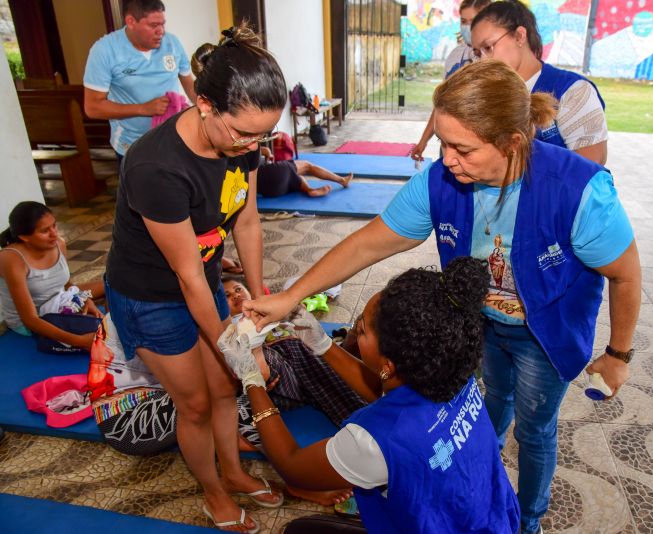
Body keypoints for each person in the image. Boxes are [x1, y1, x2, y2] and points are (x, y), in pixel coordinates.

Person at [242, 60, 641, 534]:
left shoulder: (579, 191)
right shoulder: (442, 180)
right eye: (443, 143)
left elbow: (626, 275)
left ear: (513, 142)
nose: (447, 159)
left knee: (535, 430)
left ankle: (527, 520)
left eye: (462, 149)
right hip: (482, 323)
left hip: (546, 335)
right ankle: (467, 482)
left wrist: (618, 353)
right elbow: (371, 240)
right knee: (485, 409)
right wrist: (293, 296)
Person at [103, 23, 286, 532]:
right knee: (198, 403)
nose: (253, 145)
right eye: (244, 133)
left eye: (262, 135)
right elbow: (185, 277)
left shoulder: (242, 141)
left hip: (200, 280)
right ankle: (212, 493)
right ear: (204, 104)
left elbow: (246, 220)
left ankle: (232, 471)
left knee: (226, 389)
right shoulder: (156, 167)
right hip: (150, 297)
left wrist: (258, 301)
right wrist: (241, 348)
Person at [220, 257, 520, 533]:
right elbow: (386, 393)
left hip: (439, 524)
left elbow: (291, 464)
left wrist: (251, 380)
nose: (354, 333)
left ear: (388, 365)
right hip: (492, 518)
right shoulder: (451, 371)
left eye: (360, 331)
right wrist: (321, 342)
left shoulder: (374, 441)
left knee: (299, 531)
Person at [88, 306, 361, 506]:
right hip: (129, 417)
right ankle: (296, 478)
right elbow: (205, 379)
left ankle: (357, 414)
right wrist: (250, 366)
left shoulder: (188, 301)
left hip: (171, 395)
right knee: (228, 397)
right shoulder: (145, 310)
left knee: (289, 347)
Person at [471, 0, 608, 165]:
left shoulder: (573, 91)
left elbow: (588, 171)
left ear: (520, 36)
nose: (483, 60)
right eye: (477, 53)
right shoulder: (484, 96)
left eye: (488, 47)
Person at [83, 0, 197, 159]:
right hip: (132, 146)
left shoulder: (172, 43)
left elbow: (189, 85)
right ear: (130, 21)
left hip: (173, 138)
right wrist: (143, 108)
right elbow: (93, 107)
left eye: (162, 24)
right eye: (153, 25)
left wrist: (205, 109)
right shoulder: (104, 50)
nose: (161, 31)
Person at [0, 201, 104, 350]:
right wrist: (79, 341)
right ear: (24, 237)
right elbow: (29, 319)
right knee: (104, 336)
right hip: (33, 321)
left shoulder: (59, 244)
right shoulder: (12, 259)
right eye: (44, 231)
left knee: (114, 286)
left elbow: (66, 284)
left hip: (59, 300)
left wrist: (83, 299)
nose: (54, 234)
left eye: (54, 225)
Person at [411, 0, 491, 162]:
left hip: (478, 150)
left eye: (473, 21)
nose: (468, 27)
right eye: (463, 21)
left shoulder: (494, 58)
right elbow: (442, 106)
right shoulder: (456, 56)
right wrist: (423, 140)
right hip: (450, 147)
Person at [256, 146, 352, 198]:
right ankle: (342, 180)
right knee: (307, 165)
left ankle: (309, 190)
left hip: (271, 191)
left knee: (294, 177)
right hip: (272, 173)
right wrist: (268, 154)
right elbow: (266, 150)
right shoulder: (244, 145)